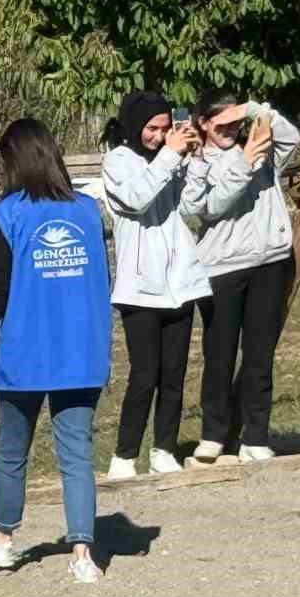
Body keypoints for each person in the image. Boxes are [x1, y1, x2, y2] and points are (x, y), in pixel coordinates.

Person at [0, 118, 113, 584]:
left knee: (13, 450)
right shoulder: (89, 211)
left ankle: (5, 538)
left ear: (15, 161)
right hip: (82, 352)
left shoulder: (9, 213)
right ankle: (84, 555)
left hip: (26, 353)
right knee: (76, 453)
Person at [181, 90, 300, 464]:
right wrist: (245, 164)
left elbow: (292, 139)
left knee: (260, 355)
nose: (230, 129)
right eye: (221, 123)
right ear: (203, 123)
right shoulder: (195, 162)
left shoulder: (260, 147)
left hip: (270, 261)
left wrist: (255, 110)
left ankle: (256, 435)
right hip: (223, 268)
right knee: (219, 354)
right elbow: (208, 207)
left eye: (235, 122)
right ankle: (214, 434)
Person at [100, 90, 211, 479]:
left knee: (174, 374)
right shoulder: (118, 161)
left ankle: (164, 448)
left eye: (166, 128)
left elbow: (193, 205)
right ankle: (124, 455)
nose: (159, 135)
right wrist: (169, 156)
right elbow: (137, 199)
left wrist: (195, 158)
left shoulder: (174, 157)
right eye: (152, 128)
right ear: (135, 126)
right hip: (139, 287)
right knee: (145, 374)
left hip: (179, 282)